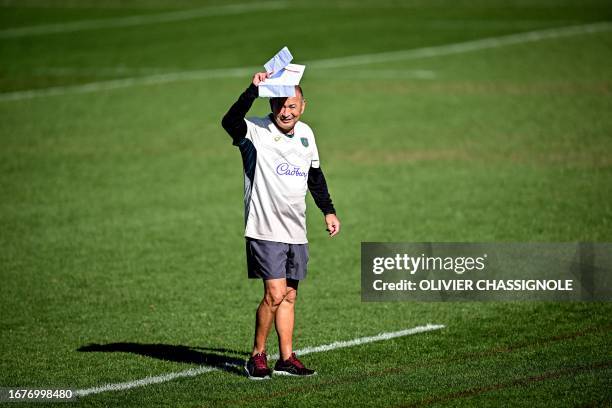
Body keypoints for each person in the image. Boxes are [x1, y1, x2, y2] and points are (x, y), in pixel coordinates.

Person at [221, 71, 340, 379]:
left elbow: (315, 176)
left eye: (292, 106)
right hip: (264, 227)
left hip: (295, 229)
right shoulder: (255, 131)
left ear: (303, 105)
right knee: (274, 294)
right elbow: (228, 121)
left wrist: (328, 210)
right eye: (279, 106)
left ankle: (286, 358)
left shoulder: (307, 135)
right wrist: (253, 89)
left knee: (289, 296)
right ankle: (256, 355)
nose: (285, 112)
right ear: (271, 104)